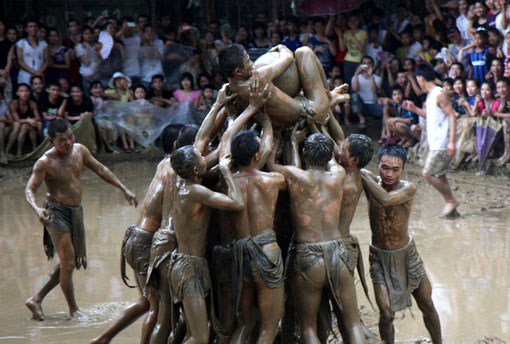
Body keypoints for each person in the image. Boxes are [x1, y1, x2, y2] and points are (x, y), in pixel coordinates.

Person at [24, 118, 137, 321]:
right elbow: (30, 189)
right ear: (51, 141)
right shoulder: (45, 162)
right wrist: (37, 209)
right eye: (62, 140)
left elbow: (101, 169)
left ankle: (36, 299)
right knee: (68, 262)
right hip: (54, 212)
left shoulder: (80, 150)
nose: (68, 143)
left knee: (70, 262)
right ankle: (73, 310)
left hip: (76, 212)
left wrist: (124, 189)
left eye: (70, 137)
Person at [267, 133, 365, 344]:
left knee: (308, 328)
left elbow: (270, 163)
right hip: (338, 252)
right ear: (330, 155)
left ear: (304, 154)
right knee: (353, 323)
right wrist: (317, 130)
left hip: (308, 256)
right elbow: (331, 157)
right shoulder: (338, 174)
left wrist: (289, 141)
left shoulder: (294, 175)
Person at [89, 124, 178, 344]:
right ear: (178, 146)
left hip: (135, 235)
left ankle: (103, 338)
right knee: (156, 309)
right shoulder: (175, 168)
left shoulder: (163, 163)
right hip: (145, 240)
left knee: (146, 303)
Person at [217, 80, 285, 343]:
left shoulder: (228, 180)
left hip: (239, 253)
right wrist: (267, 122)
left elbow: (225, 140)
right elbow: (269, 154)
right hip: (266, 251)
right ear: (258, 155)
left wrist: (239, 116)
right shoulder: (273, 181)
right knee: (269, 327)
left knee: (245, 323)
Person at [360, 144, 442, 344]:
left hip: (406, 254)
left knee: (426, 304)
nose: (389, 173)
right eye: (385, 167)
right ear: (377, 164)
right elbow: (344, 152)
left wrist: (363, 176)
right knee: (386, 314)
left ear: (403, 169)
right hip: (379, 255)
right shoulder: (370, 181)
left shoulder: (407, 188)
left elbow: (386, 199)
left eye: (395, 169)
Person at [218, 44, 348, 129]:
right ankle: (329, 97)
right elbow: (288, 57)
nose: (252, 63)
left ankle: (329, 97)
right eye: (248, 61)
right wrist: (281, 47)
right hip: (310, 112)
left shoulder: (230, 90)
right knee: (304, 52)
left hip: (281, 119)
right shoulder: (259, 77)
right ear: (238, 72)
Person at [403, 62, 458, 217]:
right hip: (435, 142)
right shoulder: (431, 95)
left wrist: (451, 141)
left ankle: (450, 201)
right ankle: (452, 209)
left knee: (427, 173)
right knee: (440, 175)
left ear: (420, 79)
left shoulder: (440, 94)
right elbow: (431, 116)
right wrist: (414, 110)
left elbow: (452, 116)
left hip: (442, 142)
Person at [8, 83, 42, 155]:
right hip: (16, 125)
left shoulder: (32, 103)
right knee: (23, 126)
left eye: (26, 91)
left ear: (29, 92)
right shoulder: (13, 104)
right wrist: (28, 120)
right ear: (17, 93)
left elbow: (38, 117)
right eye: (22, 91)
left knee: (28, 126)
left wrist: (30, 121)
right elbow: (17, 120)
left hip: (29, 125)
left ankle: (36, 148)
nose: (24, 93)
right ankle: (14, 150)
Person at [16, 20, 49, 85]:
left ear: (38, 28)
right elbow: (20, 61)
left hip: (40, 74)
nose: (33, 29)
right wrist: (34, 72)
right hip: (25, 75)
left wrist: (39, 73)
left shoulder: (44, 44)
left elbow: (47, 61)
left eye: (35, 26)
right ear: (26, 29)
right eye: (30, 26)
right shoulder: (21, 43)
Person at [75, 26, 100, 93]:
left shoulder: (97, 45)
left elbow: (101, 60)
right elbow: (87, 63)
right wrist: (88, 48)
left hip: (98, 75)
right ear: (82, 35)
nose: (88, 35)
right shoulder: (79, 47)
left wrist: (97, 51)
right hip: (86, 76)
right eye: (85, 34)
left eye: (90, 33)